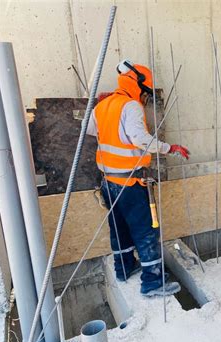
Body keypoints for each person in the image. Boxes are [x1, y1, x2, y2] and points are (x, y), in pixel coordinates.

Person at [87, 60, 190, 297]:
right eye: (145, 92)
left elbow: (91, 129)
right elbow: (141, 140)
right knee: (146, 230)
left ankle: (123, 268)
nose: (145, 97)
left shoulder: (103, 105)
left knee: (119, 227)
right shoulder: (131, 106)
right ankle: (153, 283)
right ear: (138, 86)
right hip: (130, 182)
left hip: (108, 182)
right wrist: (169, 147)